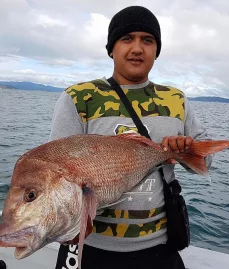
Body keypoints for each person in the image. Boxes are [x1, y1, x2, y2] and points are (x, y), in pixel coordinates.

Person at [49, 6, 212, 269]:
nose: (137, 48)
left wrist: (186, 151)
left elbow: (207, 162)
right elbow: (56, 176)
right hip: (88, 246)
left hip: (158, 247)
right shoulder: (78, 97)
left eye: (147, 40)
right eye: (127, 39)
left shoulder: (176, 100)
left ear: (156, 51)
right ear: (111, 48)